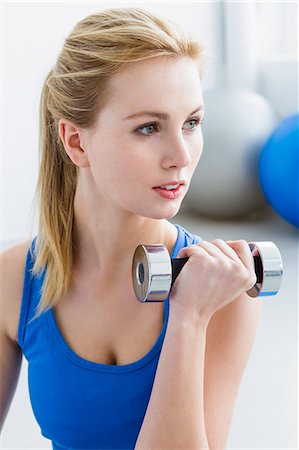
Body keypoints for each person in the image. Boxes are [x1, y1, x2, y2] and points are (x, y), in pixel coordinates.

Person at [0, 7, 262, 450]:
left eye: (191, 123)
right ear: (76, 141)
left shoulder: (224, 292)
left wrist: (189, 316)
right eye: (148, 127)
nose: (181, 154)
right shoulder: (13, 280)